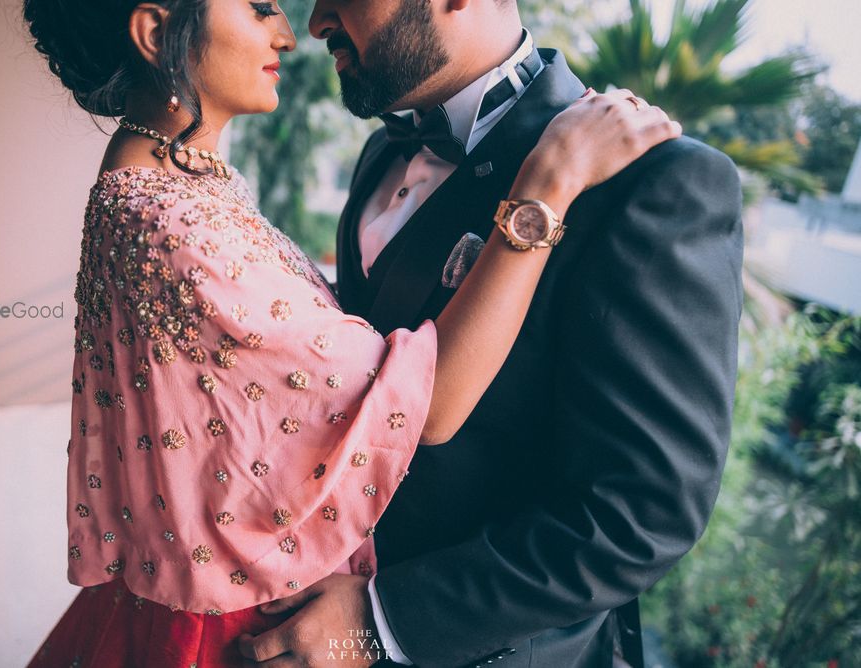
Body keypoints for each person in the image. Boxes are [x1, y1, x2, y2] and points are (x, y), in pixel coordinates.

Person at [21, 0, 682, 666]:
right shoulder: (168, 220)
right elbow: (425, 401)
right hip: (254, 617)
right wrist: (547, 184)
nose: (297, 30)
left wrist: (387, 619)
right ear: (157, 34)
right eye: (258, 8)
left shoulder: (181, 183)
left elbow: (640, 514)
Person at [236, 1, 744, 667]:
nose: (317, 21)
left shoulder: (652, 181)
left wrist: (380, 620)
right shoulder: (379, 156)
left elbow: (642, 514)